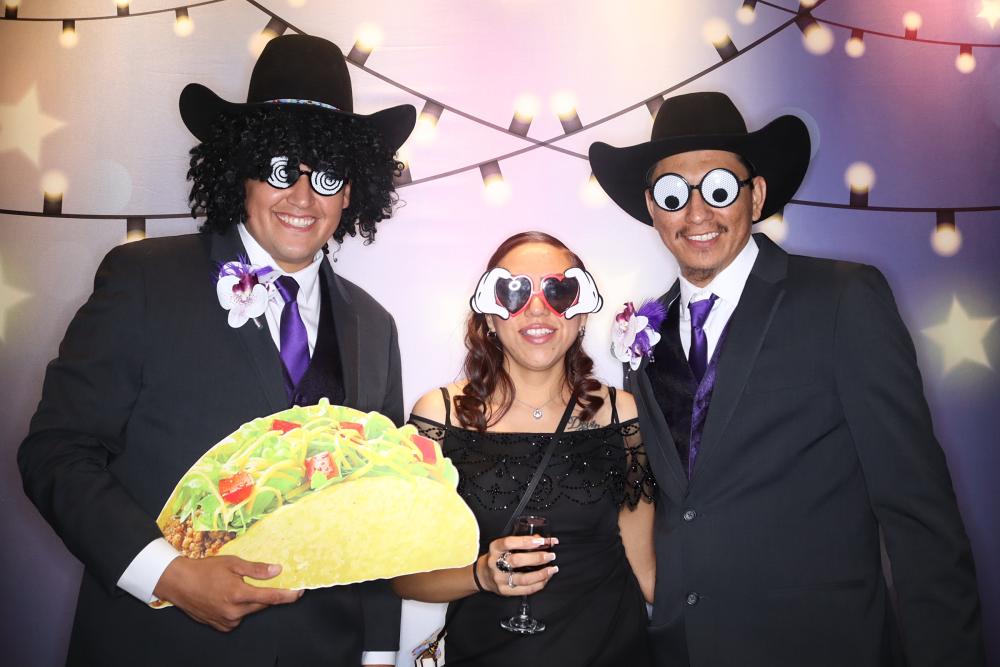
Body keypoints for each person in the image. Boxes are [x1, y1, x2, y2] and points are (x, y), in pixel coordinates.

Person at [18, 35, 414, 667]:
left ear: (350, 192)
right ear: (241, 170)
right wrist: (168, 574)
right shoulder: (144, 279)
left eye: (327, 176)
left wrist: (378, 653)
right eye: (281, 168)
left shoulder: (376, 325)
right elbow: (56, 452)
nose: (303, 197)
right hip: (160, 646)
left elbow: (378, 506)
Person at [588, 91, 985, 666]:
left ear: (756, 195)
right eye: (674, 194)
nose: (696, 214)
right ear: (653, 207)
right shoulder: (643, 337)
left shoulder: (842, 299)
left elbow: (918, 513)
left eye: (718, 189)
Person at [393, 231, 656, 666]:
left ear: (582, 314)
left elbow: (645, 568)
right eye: (514, 293)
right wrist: (481, 575)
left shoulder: (620, 412)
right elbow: (405, 577)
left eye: (559, 291)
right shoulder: (439, 415)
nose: (537, 308)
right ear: (490, 318)